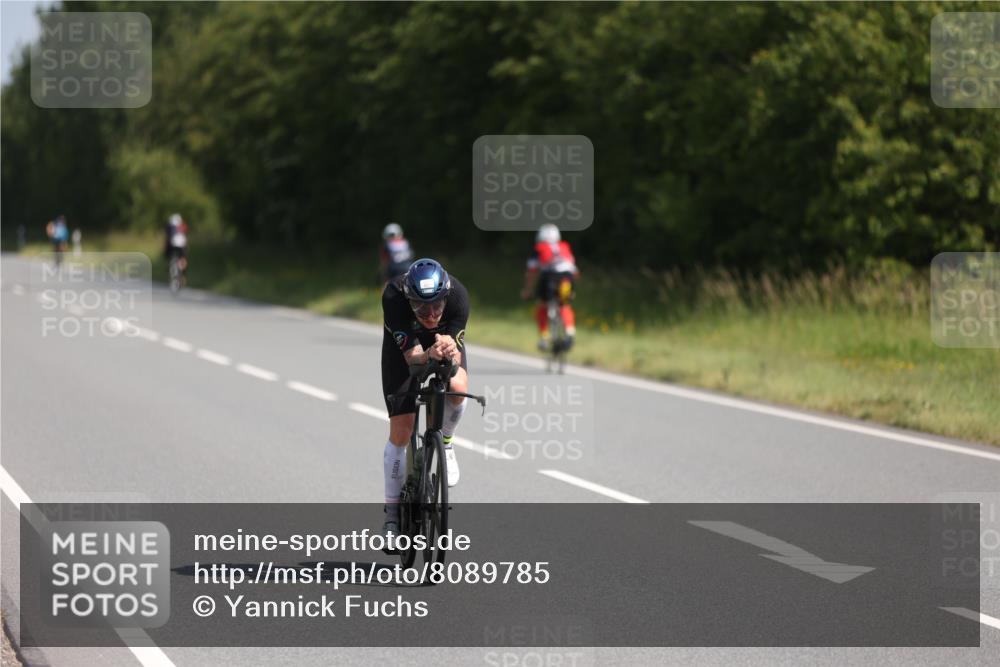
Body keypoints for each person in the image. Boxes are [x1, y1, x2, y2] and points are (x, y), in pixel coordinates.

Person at [380, 258, 469, 540]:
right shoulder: (394, 296)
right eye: (421, 307)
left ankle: (446, 441)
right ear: (409, 299)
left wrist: (448, 350)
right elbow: (413, 360)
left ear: (446, 295)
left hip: (442, 343)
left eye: (436, 306)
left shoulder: (458, 296)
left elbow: (454, 357)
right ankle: (392, 517)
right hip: (405, 352)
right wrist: (428, 354)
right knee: (402, 431)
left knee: (456, 385)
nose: (431, 314)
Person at [521, 223, 579, 351]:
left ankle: (544, 337)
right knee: (564, 305)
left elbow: (532, 272)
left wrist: (527, 290)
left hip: (549, 279)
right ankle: (570, 332)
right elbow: (574, 271)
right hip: (567, 279)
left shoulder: (539, 248)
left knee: (542, 305)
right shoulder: (565, 246)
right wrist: (573, 290)